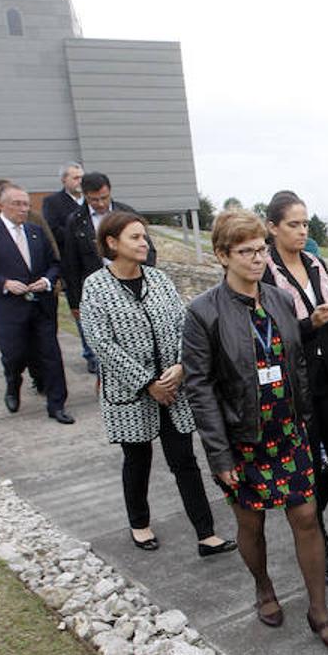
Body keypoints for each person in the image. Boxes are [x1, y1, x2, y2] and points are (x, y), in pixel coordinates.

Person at [181, 209, 328, 648]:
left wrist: (308, 424)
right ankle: (263, 588)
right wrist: (218, 454)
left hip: (289, 432)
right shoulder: (203, 313)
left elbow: (294, 365)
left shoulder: (277, 298)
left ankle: (318, 609)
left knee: (307, 517)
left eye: (260, 249)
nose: (257, 259)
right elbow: (199, 388)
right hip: (242, 440)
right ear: (222, 255)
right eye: (246, 251)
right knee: (251, 524)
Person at [79, 211, 236, 557]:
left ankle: (206, 533)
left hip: (174, 389)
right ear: (111, 242)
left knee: (184, 459)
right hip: (132, 392)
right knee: (138, 459)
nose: (143, 243)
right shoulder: (96, 287)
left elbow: (186, 325)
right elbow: (101, 344)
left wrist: (181, 367)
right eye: (135, 237)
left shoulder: (160, 279)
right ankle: (139, 523)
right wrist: (147, 383)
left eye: (144, 236)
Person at [263, 191, 328, 588]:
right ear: (272, 227)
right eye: (293, 224)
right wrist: (309, 325)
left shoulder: (314, 264)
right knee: (307, 467)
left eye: (305, 224)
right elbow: (267, 336)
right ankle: (321, 544)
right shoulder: (264, 272)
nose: (302, 231)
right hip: (293, 386)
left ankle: (309, 510)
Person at [0, 184, 74, 424]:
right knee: (14, 355)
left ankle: (57, 404)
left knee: (51, 355)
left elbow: (55, 263)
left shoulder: (35, 231)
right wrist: (4, 283)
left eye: (26, 204)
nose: (23, 209)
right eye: (17, 204)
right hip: (10, 308)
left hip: (41, 306)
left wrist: (47, 280)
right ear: (1, 205)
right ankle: (13, 384)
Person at [61, 171, 158, 375]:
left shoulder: (128, 214)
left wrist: (147, 282)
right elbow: (71, 263)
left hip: (132, 285)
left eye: (104, 198)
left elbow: (148, 250)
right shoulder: (76, 221)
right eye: (94, 199)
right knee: (104, 342)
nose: (100, 204)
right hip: (97, 291)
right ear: (84, 195)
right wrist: (74, 301)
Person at [41, 161, 84, 257]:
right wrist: (81, 236)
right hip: (69, 255)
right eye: (76, 178)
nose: (80, 181)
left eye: (82, 177)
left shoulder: (91, 200)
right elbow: (53, 229)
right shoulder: (52, 202)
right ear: (64, 180)